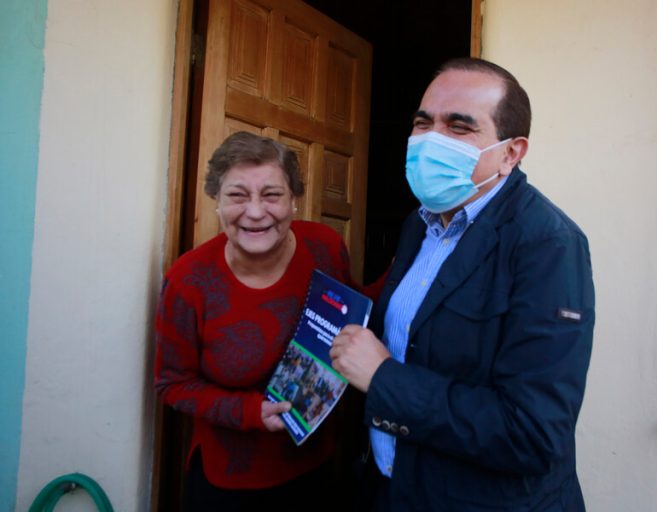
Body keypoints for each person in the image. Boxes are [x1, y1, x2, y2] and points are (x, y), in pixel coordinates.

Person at [330, 57, 595, 511]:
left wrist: (384, 378)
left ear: (511, 153)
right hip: (394, 488)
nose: (432, 140)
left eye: (459, 127)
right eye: (423, 123)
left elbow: (533, 433)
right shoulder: (420, 223)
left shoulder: (548, 244)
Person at [154, 132, 355, 511]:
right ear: (216, 200)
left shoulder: (325, 247)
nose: (256, 211)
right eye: (237, 195)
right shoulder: (188, 281)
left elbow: (353, 312)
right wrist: (249, 412)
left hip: (316, 467)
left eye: (272, 195)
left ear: (294, 199)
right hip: (229, 485)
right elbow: (172, 384)